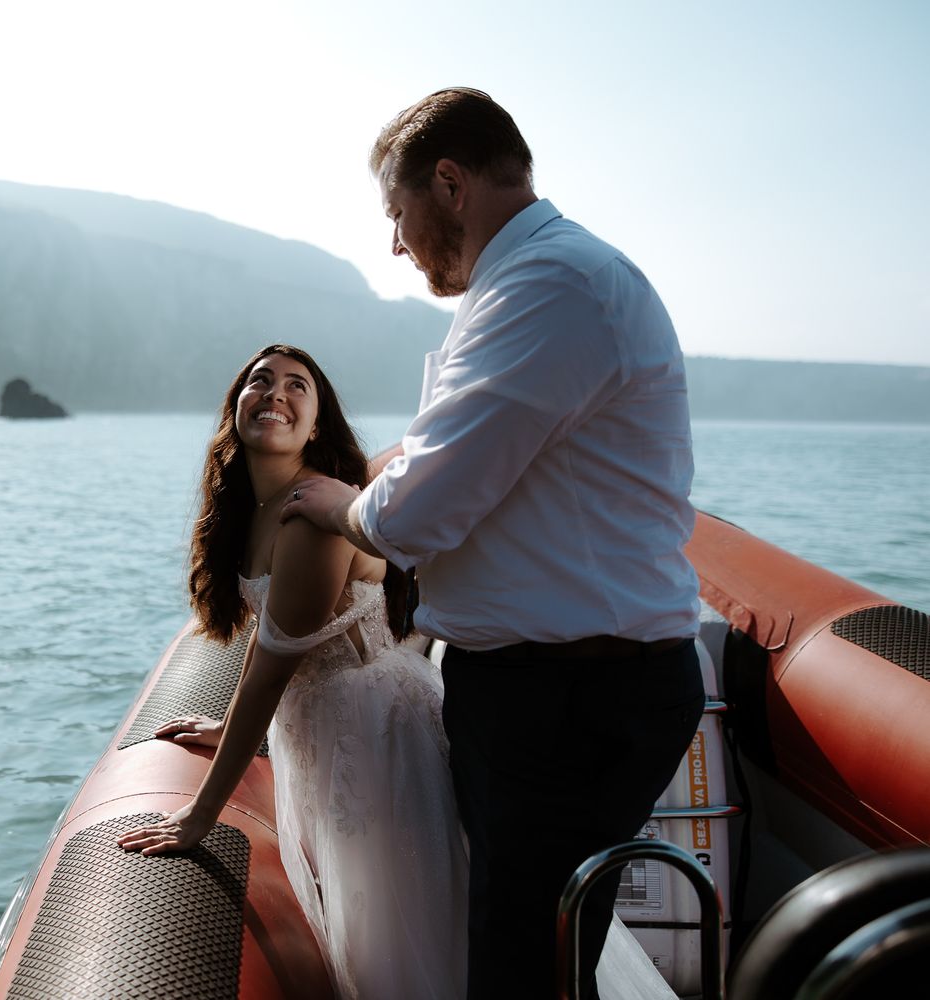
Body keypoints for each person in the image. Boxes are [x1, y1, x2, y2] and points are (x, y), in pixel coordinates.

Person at [282, 88, 706, 999]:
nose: (395, 243)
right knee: (538, 945)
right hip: (553, 687)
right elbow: (453, 447)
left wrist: (328, 504)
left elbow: (409, 519)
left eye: (396, 214)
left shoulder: (551, 287)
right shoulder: (527, 287)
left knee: (519, 961)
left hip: (568, 698)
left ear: (449, 182)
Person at [116, 344, 676, 1000]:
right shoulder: (253, 512)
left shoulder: (311, 521)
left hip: (374, 737)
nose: (275, 393)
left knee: (414, 929)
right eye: (259, 381)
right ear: (234, 407)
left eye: (298, 386)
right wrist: (229, 725)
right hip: (322, 731)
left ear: (317, 424)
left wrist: (199, 815)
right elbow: (270, 654)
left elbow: (270, 671)